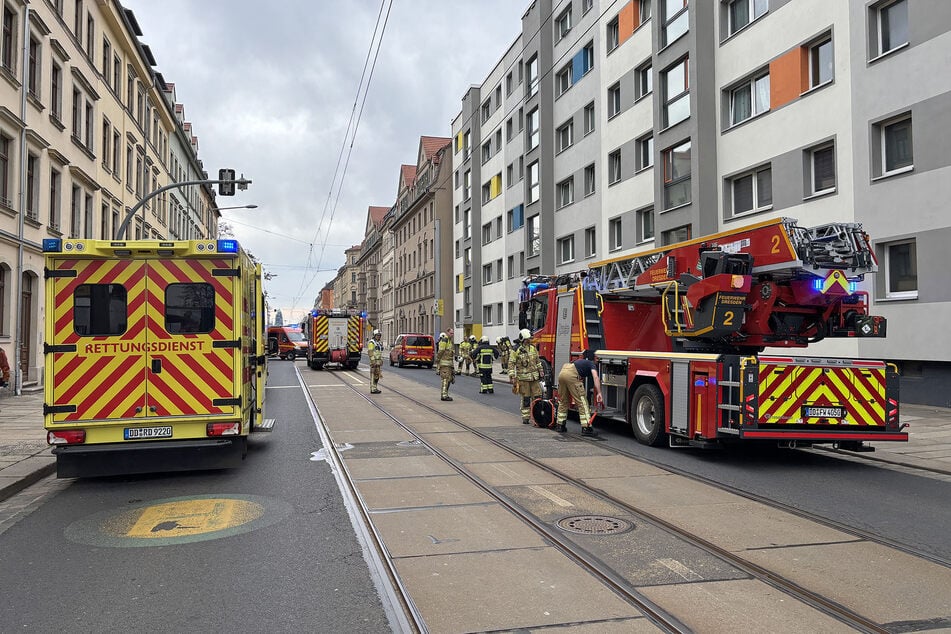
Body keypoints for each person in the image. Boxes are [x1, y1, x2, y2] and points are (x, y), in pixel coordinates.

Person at [554, 349, 603, 436]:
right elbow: (595, 377)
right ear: (593, 358)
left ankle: (560, 425)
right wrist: (599, 393)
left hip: (562, 373)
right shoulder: (591, 364)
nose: (597, 360)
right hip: (572, 375)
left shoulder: (579, 361)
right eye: (596, 358)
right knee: (582, 402)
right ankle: (586, 427)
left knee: (563, 401)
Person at [509, 328, 544, 425]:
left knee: (537, 397)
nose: (530, 340)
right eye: (528, 339)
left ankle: (537, 417)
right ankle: (526, 417)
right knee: (526, 398)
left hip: (534, 378)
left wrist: (541, 370)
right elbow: (511, 363)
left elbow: (537, 361)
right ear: (524, 339)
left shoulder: (532, 348)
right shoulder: (516, 350)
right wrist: (512, 376)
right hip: (523, 379)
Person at [435, 332, 455, 401]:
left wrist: (452, 366)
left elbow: (450, 354)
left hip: (449, 364)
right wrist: (437, 360)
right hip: (444, 364)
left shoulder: (450, 342)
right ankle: (444, 395)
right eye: (451, 333)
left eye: (453, 333)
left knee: (449, 379)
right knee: (445, 379)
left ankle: (445, 394)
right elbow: (441, 351)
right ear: (448, 333)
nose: (452, 334)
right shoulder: (444, 340)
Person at [367, 329, 384, 394]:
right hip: (374, 362)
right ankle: (373, 389)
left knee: (377, 375)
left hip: (378, 362)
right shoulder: (371, 342)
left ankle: (375, 387)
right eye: (377, 335)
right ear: (374, 335)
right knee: (373, 375)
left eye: (379, 335)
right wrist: (373, 361)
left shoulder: (378, 343)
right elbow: (370, 352)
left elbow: (379, 352)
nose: (379, 337)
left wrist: (381, 360)